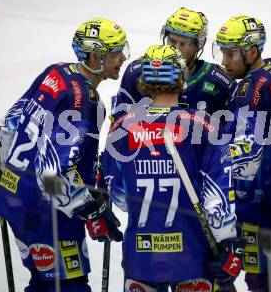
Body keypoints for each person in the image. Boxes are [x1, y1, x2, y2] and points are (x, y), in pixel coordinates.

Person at [0, 18, 127, 292]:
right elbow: (52, 174)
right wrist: (90, 209)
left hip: (15, 198)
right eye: (115, 52)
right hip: (47, 214)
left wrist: (5, 172)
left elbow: (11, 123)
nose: (122, 58)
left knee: (42, 281)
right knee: (67, 285)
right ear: (95, 56)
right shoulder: (85, 102)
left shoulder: (56, 72)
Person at [102, 44, 245, 292]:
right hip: (193, 257)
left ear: (143, 81)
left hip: (140, 258)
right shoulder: (204, 125)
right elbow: (217, 200)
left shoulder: (121, 128)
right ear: (181, 77)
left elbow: (119, 197)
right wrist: (228, 244)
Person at [212, 15, 271, 292]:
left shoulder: (250, 92)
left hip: (261, 208)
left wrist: (209, 161)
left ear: (251, 51)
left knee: (263, 283)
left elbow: (247, 161)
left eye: (231, 53)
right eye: (222, 52)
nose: (224, 61)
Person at [113, 7, 234, 116]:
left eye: (185, 43)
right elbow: (118, 125)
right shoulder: (137, 72)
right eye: (172, 40)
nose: (176, 48)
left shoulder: (220, 82)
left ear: (199, 46)